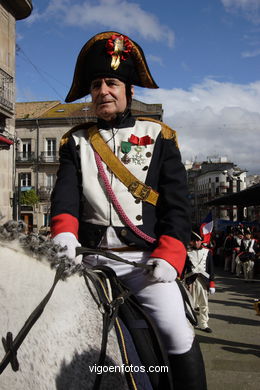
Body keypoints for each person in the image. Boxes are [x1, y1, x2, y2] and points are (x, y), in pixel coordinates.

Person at [51, 31, 207, 389]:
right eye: (95, 85)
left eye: (111, 82)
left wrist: (170, 254)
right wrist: (63, 235)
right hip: (89, 260)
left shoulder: (160, 136)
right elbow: (65, 196)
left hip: (144, 263)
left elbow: (177, 204)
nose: (102, 90)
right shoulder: (75, 140)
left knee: (176, 331)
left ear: (129, 91)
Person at [184, 229, 216, 333]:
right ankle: (189, 324)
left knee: (204, 304)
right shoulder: (187, 253)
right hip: (190, 281)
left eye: (198, 241)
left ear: (201, 241)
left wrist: (212, 283)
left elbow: (211, 269)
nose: (196, 243)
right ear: (191, 242)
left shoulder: (207, 252)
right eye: (194, 241)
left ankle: (203, 324)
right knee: (189, 305)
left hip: (203, 281)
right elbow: (182, 268)